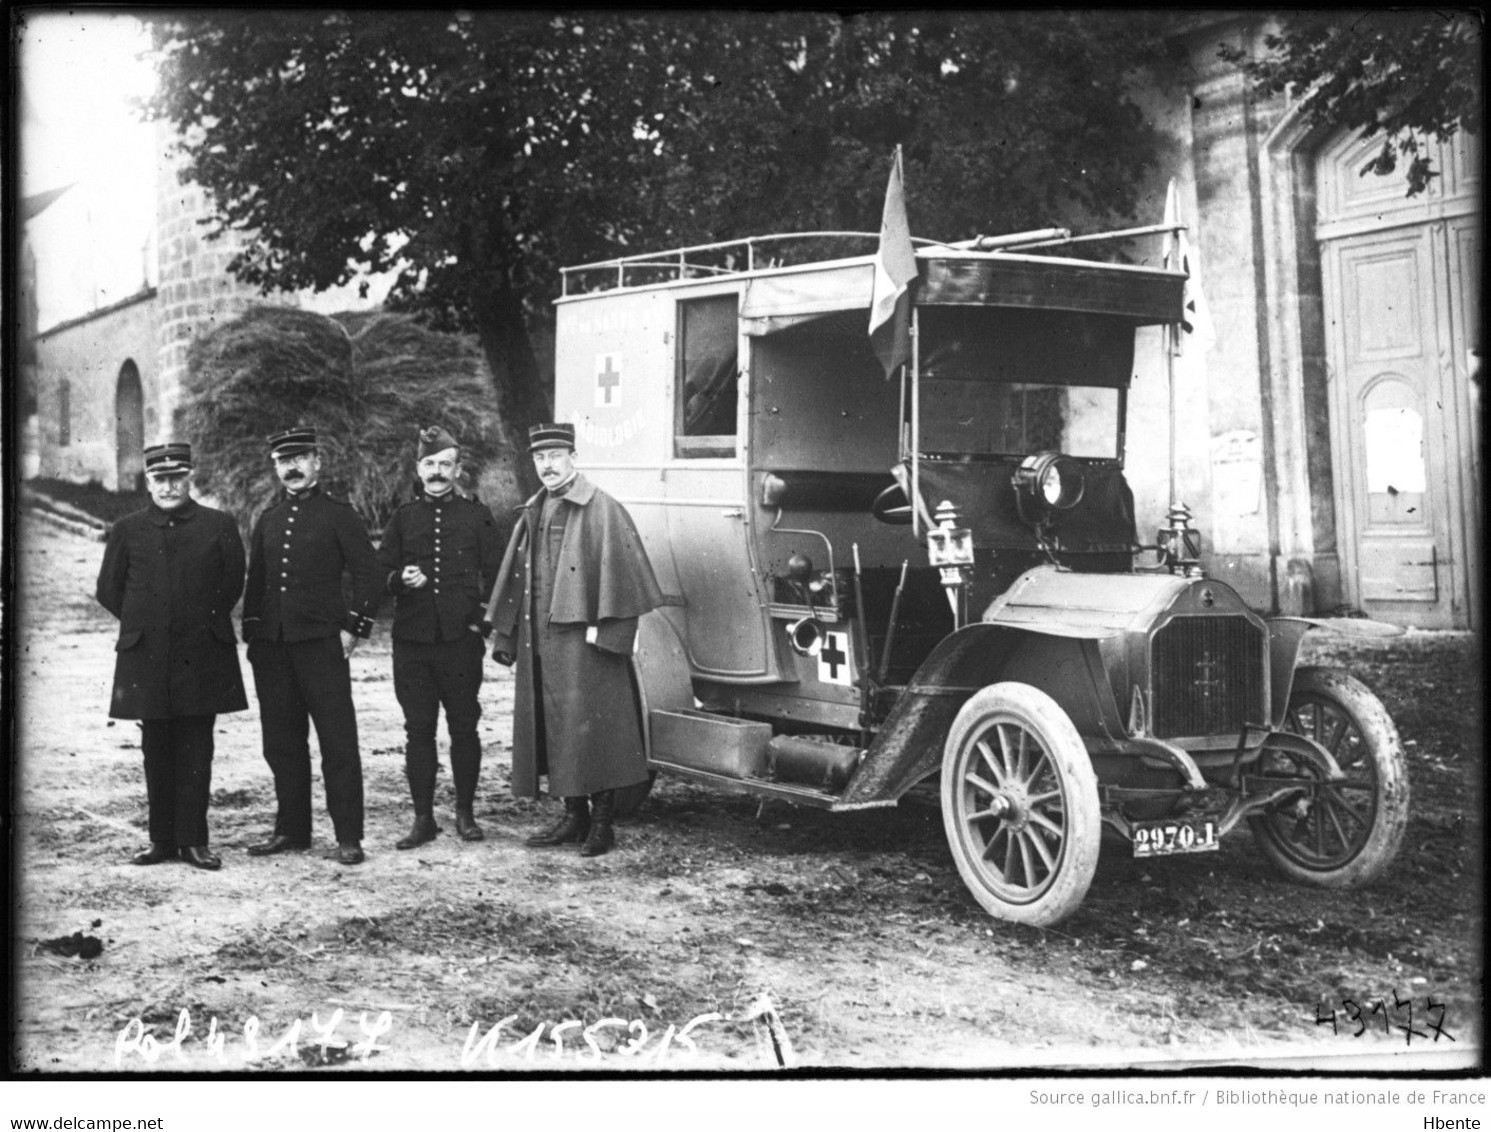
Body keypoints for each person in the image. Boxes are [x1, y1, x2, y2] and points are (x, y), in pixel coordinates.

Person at [487, 423, 663, 857]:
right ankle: (573, 815)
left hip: (586, 642)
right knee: (554, 726)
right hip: (541, 639)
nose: (547, 465)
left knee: (594, 726)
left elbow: (627, 582)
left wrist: (613, 636)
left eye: (555, 455)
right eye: (539, 458)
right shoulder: (534, 507)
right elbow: (515, 574)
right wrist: (507, 634)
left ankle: (602, 823)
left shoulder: (604, 509)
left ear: (573, 457)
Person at [95, 442, 248, 871]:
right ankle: (161, 840)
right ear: (148, 482)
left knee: (197, 747)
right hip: (147, 657)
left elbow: (232, 583)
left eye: (176, 477)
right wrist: (146, 624)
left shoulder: (218, 525)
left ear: (189, 477)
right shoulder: (128, 528)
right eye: (159, 479)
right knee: (155, 746)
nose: (168, 486)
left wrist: (199, 620)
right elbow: (108, 588)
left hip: (201, 654)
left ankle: (194, 841)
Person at [241, 426, 382, 866]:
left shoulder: (339, 514)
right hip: (274, 650)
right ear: (275, 466)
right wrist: (255, 636)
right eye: (284, 461)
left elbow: (369, 574)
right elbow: (257, 582)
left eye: (300, 458)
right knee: (281, 743)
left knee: (337, 741)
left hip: (322, 646)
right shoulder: (268, 518)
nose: (293, 467)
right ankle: (292, 830)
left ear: (317, 462)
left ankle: (347, 836)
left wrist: (354, 628)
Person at [379, 425, 502, 848]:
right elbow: (378, 574)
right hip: (412, 644)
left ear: (457, 469)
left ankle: (465, 814)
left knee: (464, 727)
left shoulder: (476, 516)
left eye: (444, 464)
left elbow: (498, 574)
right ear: (418, 468)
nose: (436, 472)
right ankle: (423, 818)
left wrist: (481, 622)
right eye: (429, 464)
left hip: (459, 642)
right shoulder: (403, 518)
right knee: (418, 730)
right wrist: (398, 579)